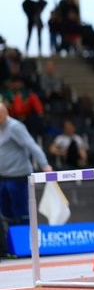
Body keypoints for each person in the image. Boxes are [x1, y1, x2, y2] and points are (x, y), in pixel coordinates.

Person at [0, 104, 52, 256]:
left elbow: (32, 146)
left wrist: (45, 165)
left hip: (18, 177)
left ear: (5, 113)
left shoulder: (15, 127)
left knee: (21, 213)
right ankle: (11, 248)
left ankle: (26, 247)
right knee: (6, 214)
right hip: (3, 177)